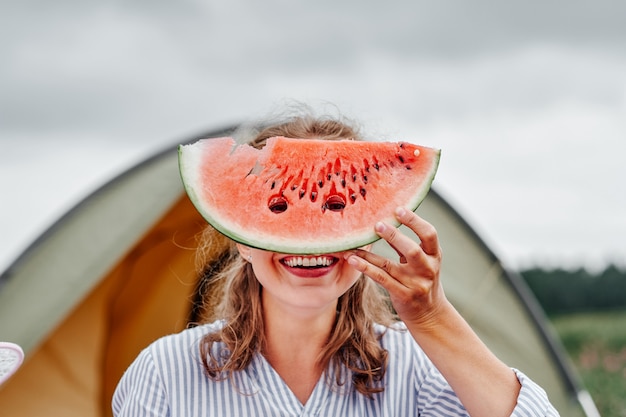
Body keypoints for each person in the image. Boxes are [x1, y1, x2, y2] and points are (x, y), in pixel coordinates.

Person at [112, 113, 560, 416]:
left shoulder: (417, 368)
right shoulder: (166, 373)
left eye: (333, 207)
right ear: (240, 239)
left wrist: (432, 316)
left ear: (370, 230)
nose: (309, 241)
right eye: (280, 208)